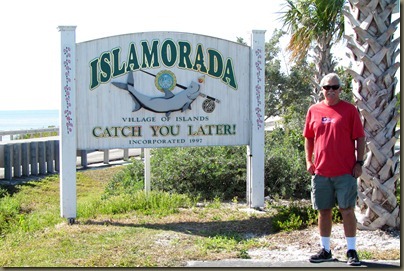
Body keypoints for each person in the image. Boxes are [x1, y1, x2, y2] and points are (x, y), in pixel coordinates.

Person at [303, 73, 365, 266]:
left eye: (334, 87)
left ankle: (352, 251)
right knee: (324, 211)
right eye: (327, 87)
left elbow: (360, 138)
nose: (330, 90)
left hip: (345, 172)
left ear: (340, 89)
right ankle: (326, 250)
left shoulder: (349, 110)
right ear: (321, 89)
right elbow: (309, 137)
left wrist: (359, 163)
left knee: (347, 210)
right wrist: (308, 161)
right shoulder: (314, 110)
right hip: (321, 172)